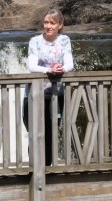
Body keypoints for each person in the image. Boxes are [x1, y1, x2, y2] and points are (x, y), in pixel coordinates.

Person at [24, 9, 74, 165]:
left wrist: (62, 69)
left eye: (52, 23)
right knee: (34, 131)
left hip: (55, 94)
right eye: (46, 22)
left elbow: (70, 63)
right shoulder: (35, 41)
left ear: (60, 25)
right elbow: (32, 66)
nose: (48, 26)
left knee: (51, 131)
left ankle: (48, 168)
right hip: (34, 93)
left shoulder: (64, 40)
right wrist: (48, 70)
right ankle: (34, 166)